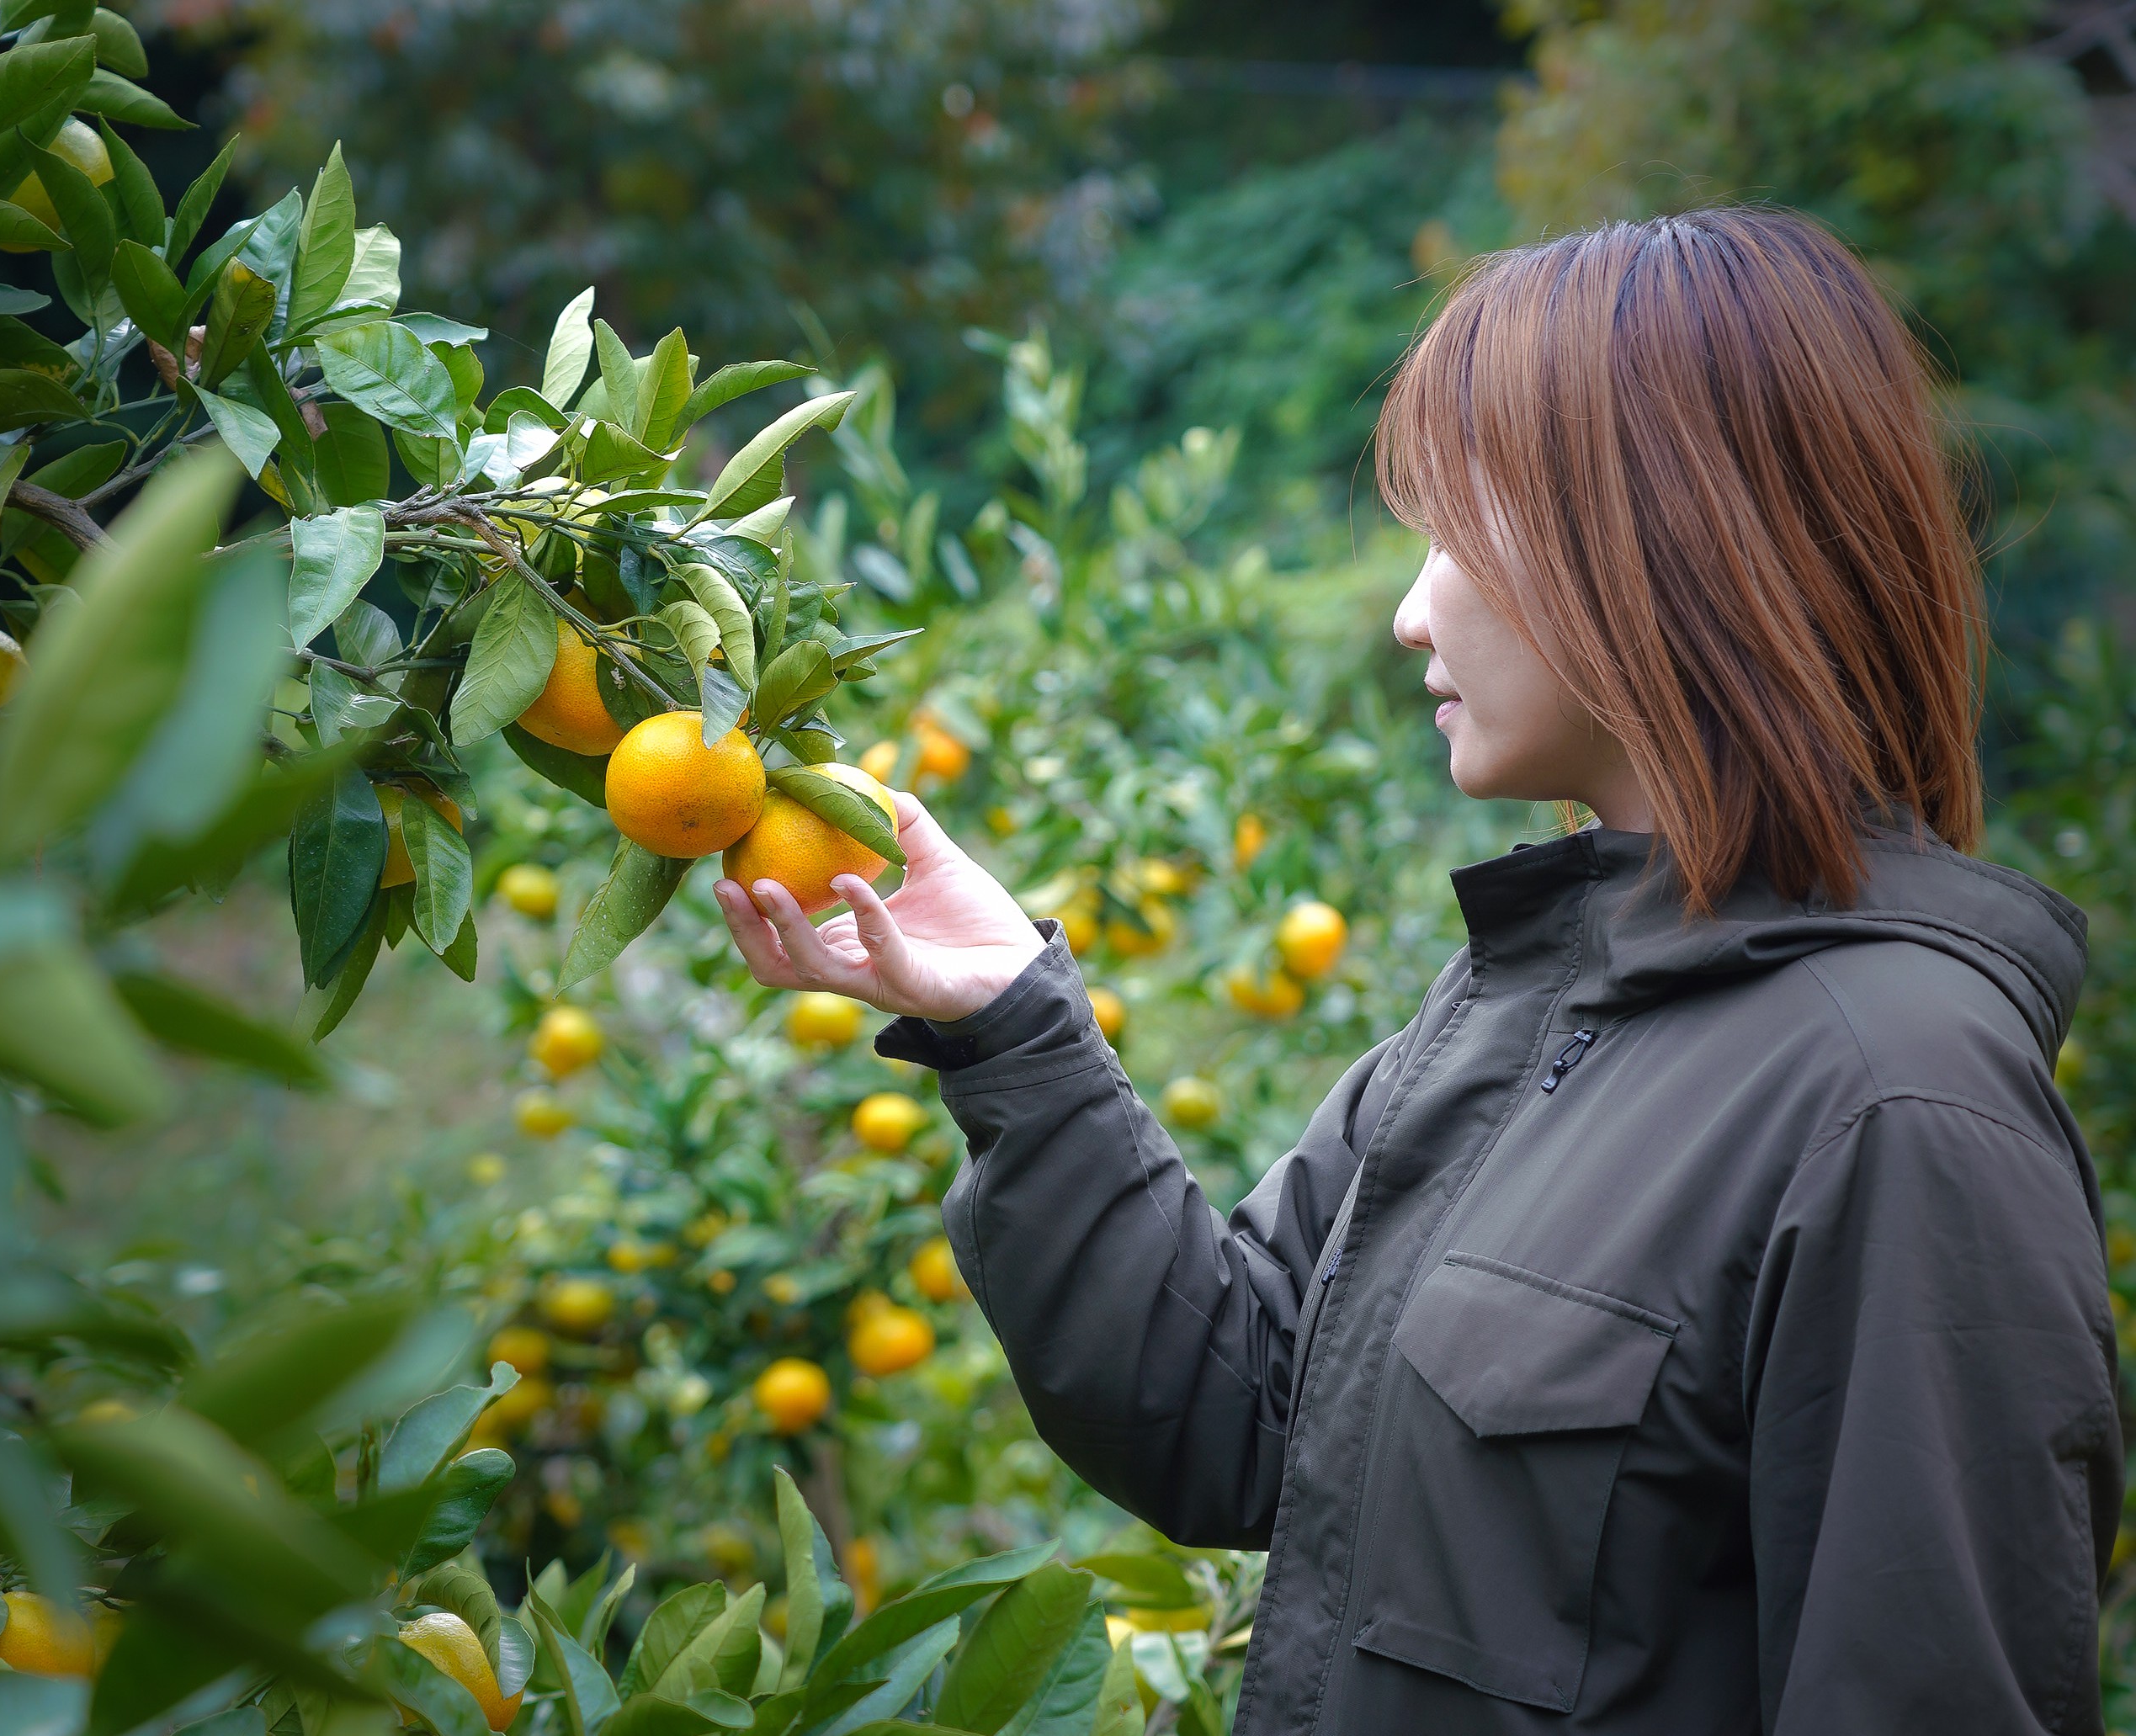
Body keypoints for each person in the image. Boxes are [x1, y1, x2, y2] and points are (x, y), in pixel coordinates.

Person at [715, 208, 2119, 1733]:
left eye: (1456, 531)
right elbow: (1237, 1420)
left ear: (1653, 543)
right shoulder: (1537, 1006)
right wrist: (1014, 1032)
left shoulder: (1897, 1105)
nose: (1405, 612)